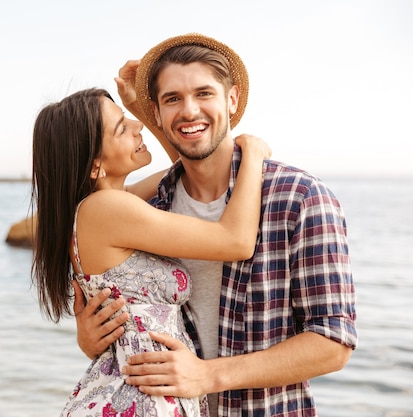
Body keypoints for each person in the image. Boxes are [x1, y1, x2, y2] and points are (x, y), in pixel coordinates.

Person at [73, 33, 358, 416]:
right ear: (155, 113)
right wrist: (93, 339)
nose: (189, 111)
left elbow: (332, 343)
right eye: (172, 99)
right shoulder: (150, 205)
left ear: (233, 99)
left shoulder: (299, 198)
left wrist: (209, 376)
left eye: (204, 93)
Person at [30, 86, 271, 416]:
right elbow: (236, 241)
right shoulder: (107, 209)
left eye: (130, 118)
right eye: (121, 127)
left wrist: (144, 110)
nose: (137, 126)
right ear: (95, 166)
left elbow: (188, 173)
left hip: (142, 390)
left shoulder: (108, 205)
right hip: (142, 397)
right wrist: (253, 154)